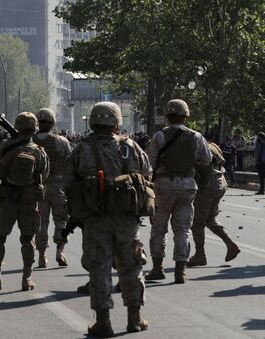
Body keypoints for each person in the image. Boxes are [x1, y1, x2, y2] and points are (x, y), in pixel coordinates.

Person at [63, 102, 152, 337]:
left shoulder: (82, 149)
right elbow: (146, 174)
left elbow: (68, 182)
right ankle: (135, 318)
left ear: (92, 122)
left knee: (100, 268)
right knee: (132, 266)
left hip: (96, 218)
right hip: (127, 218)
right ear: (116, 122)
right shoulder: (131, 147)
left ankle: (103, 322)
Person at [145, 99, 211, 284]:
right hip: (187, 186)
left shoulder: (159, 136)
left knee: (159, 229)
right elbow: (206, 159)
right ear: (186, 117)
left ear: (167, 117)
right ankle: (180, 272)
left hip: (163, 187)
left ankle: (157, 268)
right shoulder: (196, 137)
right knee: (182, 230)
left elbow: (149, 164)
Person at [0, 112, 48, 292]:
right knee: (28, 239)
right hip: (28, 201)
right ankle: (26, 278)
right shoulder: (39, 151)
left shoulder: (7, 145)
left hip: (6, 199)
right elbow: (45, 174)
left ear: (17, 127)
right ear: (34, 129)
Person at [188, 141, 240, 266]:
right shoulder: (211, 146)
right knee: (210, 218)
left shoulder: (194, 147)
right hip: (220, 182)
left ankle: (200, 254)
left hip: (208, 185)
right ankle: (230, 244)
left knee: (197, 222)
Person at [32, 108, 73, 268]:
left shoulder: (31, 141)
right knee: (61, 220)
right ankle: (60, 251)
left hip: (39, 186)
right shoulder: (61, 141)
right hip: (59, 186)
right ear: (52, 123)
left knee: (41, 223)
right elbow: (71, 163)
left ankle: (42, 256)